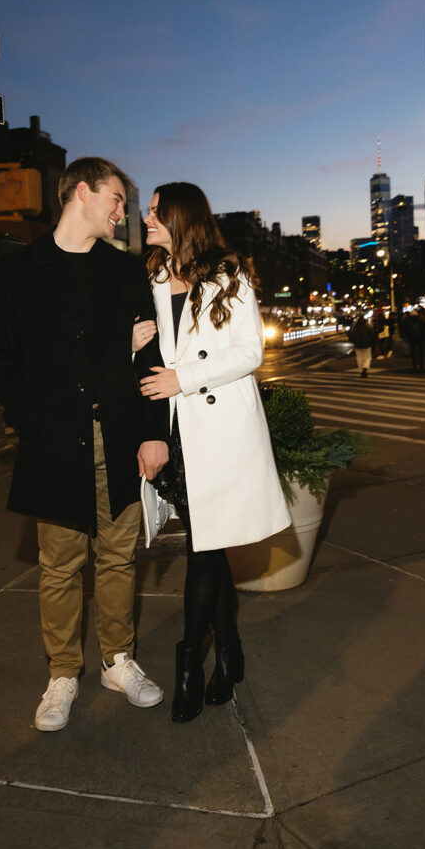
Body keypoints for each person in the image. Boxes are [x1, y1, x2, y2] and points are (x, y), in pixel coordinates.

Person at [0, 157, 170, 732]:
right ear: (81, 192)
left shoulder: (125, 272)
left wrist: (153, 433)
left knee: (117, 556)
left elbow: (150, 358)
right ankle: (63, 673)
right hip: (54, 438)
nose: (122, 212)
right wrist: (28, 418)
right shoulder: (19, 270)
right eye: (115, 199)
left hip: (118, 433)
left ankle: (118, 660)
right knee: (60, 564)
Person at [135, 182, 290, 723]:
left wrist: (185, 376)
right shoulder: (151, 274)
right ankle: (228, 650)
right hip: (179, 434)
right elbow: (147, 357)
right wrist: (133, 344)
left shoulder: (229, 273)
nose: (146, 217)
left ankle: (189, 663)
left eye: (155, 211)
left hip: (220, 430)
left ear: (180, 217)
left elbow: (250, 351)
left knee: (204, 548)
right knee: (211, 544)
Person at [348, 311, 374, 377]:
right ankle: (365, 367)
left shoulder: (355, 328)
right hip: (367, 344)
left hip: (358, 345)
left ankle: (361, 369)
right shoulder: (368, 327)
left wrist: (353, 342)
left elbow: (350, 335)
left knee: (359, 358)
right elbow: (372, 335)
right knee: (367, 357)